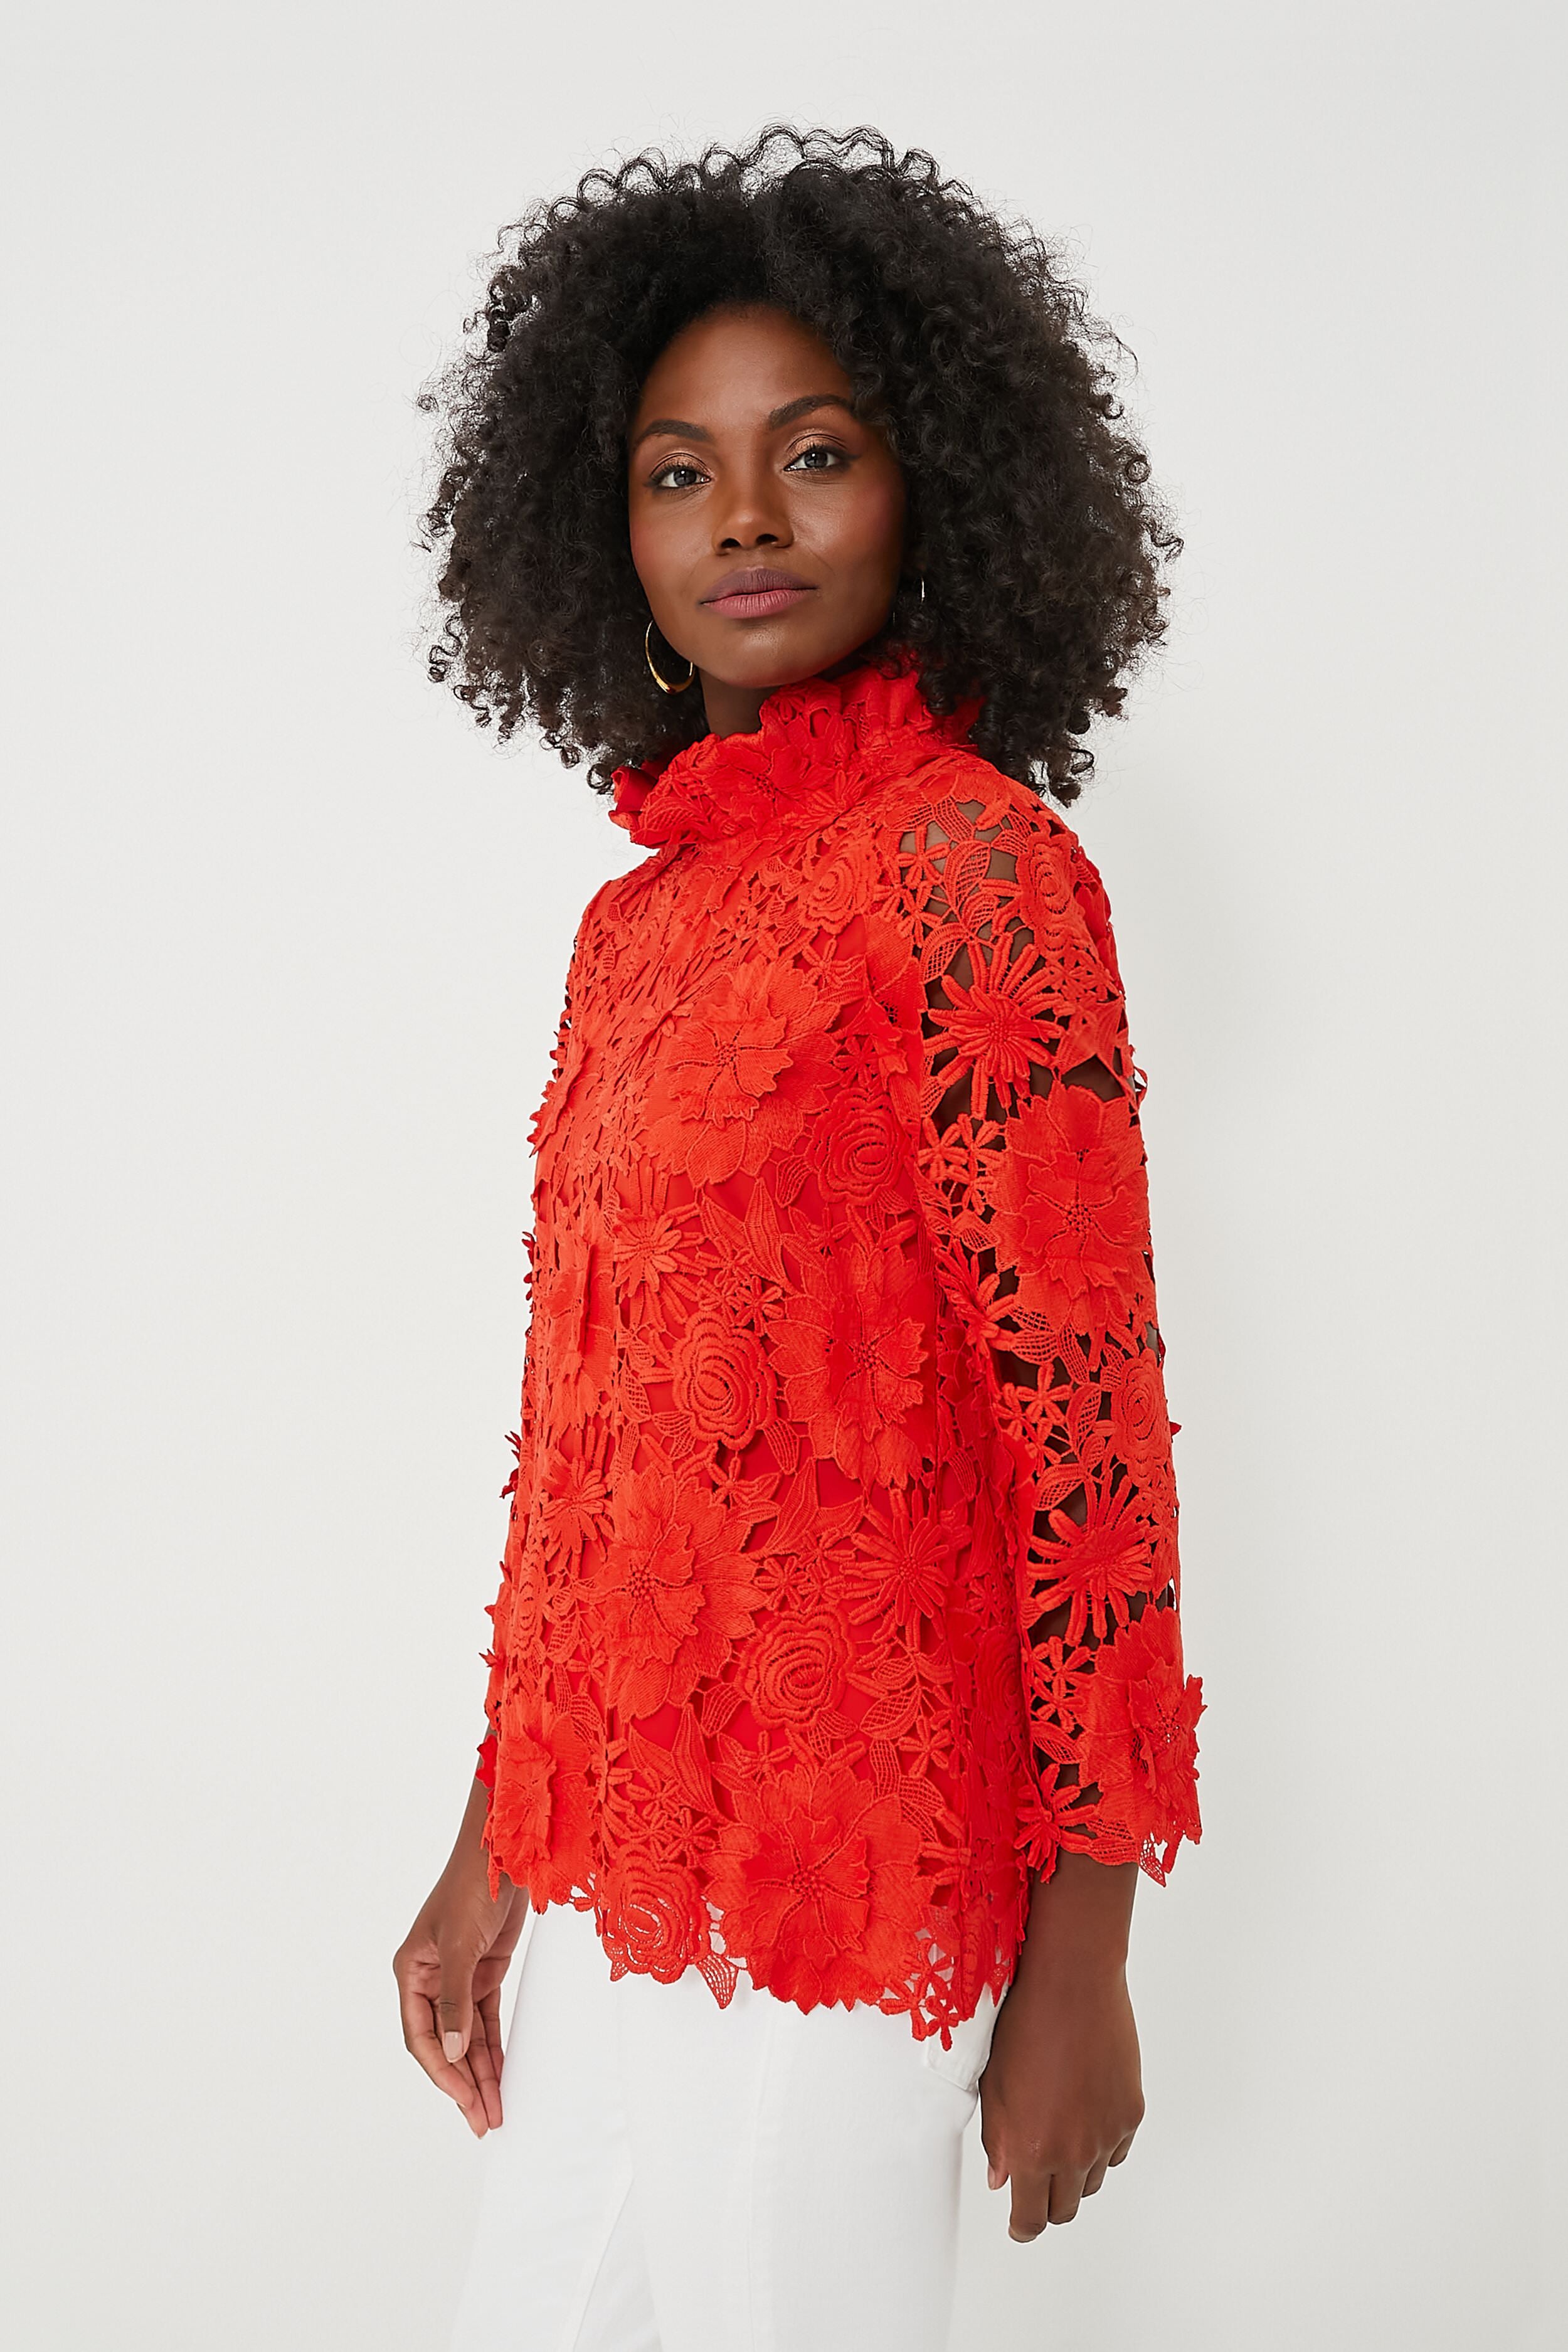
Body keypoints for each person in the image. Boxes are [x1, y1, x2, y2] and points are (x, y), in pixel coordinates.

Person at [394, 126, 1204, 2352]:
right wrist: (491, 1852)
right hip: (618, 1857)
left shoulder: (977, 873)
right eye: (677, 474)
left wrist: (1085, 1952)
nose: (743, 518)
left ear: (936, 481)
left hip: (861, 1864)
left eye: (813, 454)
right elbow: (595, 1453)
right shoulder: (636, 929)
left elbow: (1087, 1442)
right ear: (605, 531)